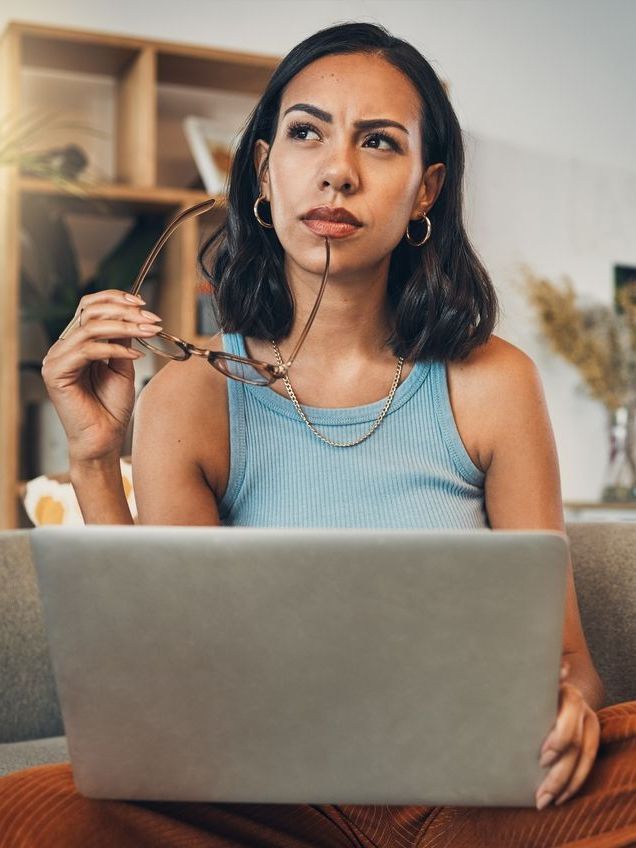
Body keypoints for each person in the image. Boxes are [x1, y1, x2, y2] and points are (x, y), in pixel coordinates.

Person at [2, 20, 635, 848]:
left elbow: (572, 667)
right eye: (306, 133)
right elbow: (169, 686)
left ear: (426, 189)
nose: (338, 171)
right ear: (265, 170)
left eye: (379, 142)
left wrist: (571, 715)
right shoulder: (188, 396)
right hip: (271, 803)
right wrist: (94, 458)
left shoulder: (493, 381)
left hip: (475, 800)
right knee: (29, 812)